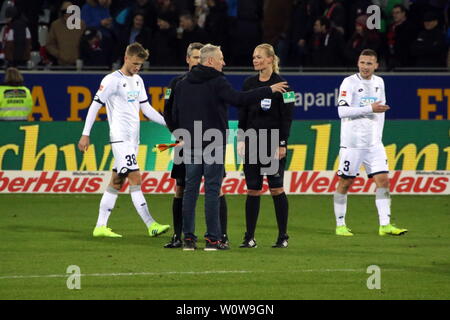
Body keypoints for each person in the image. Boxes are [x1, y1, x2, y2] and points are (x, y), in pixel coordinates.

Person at [172, 44, 288, 251]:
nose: (223, 62)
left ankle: (188, 239)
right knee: (212, 190)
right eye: (221, 59)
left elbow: (175, 112)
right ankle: (213, 239)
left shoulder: (182, 83)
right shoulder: (217, 81)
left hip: (189, 142)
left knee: (189, 191)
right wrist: (267, 90)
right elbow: (239, 100)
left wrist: (182, 133)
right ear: (210, 61)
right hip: (213, 143)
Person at [78, 42, 170, 238]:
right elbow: (95, 106)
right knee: (135, 177)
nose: (137, 67)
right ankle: (151, 224)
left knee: (117, 181)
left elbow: (146, 109)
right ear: (126, 58)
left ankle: (100, 226)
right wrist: (86, 134)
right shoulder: (112, 80)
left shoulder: (138, 80)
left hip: (133, 139)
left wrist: (168, 123)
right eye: (135, 63)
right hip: (119, 138)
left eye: (140, 65)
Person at [334, 49, 408, 237]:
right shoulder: (349, 82)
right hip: (352, 144)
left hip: (374, 144)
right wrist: (370, 108)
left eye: (369, 63)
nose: (365, 67)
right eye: (362, 62)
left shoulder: (379, 82)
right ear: (358, 63)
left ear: (376, 65)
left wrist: (377, 137)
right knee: (346, 182)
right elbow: (342, 112)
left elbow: (380, 111)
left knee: (383, 180)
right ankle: (340, 224)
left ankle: (385, 225)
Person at [163, 42, 229, 249]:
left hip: (208, 141)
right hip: (186, 143)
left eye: (199, 57)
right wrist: (178, 135)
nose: (196, 60)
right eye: (193, 57)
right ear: (188, 59)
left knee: (215, 189)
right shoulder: (176, 83)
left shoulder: (212, 83)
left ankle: (220, 235)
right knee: (181, 187)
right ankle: (179, 235)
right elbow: (168, 112)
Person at [237, 44, 294, 248]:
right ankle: (249, 237)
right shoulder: (248, 83)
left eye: (259, 57)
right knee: (252, 190)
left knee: (276, 189)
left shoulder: (285, 86)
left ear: (270, 59)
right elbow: (242, 114)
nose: (255, 60)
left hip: (273, 144)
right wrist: (241, 139)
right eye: (254, 57)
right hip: (252, 142)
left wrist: (282, 144)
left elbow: (287, 118)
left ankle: (282, 236)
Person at [46, 1, 86, 66]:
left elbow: (86, 43)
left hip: (78, 64)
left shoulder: (82, 24)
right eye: (64, 11)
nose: (67, 14)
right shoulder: (55, 25)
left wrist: (81, 56)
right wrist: (59, 54)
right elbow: (49, 44)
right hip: (61, 64)